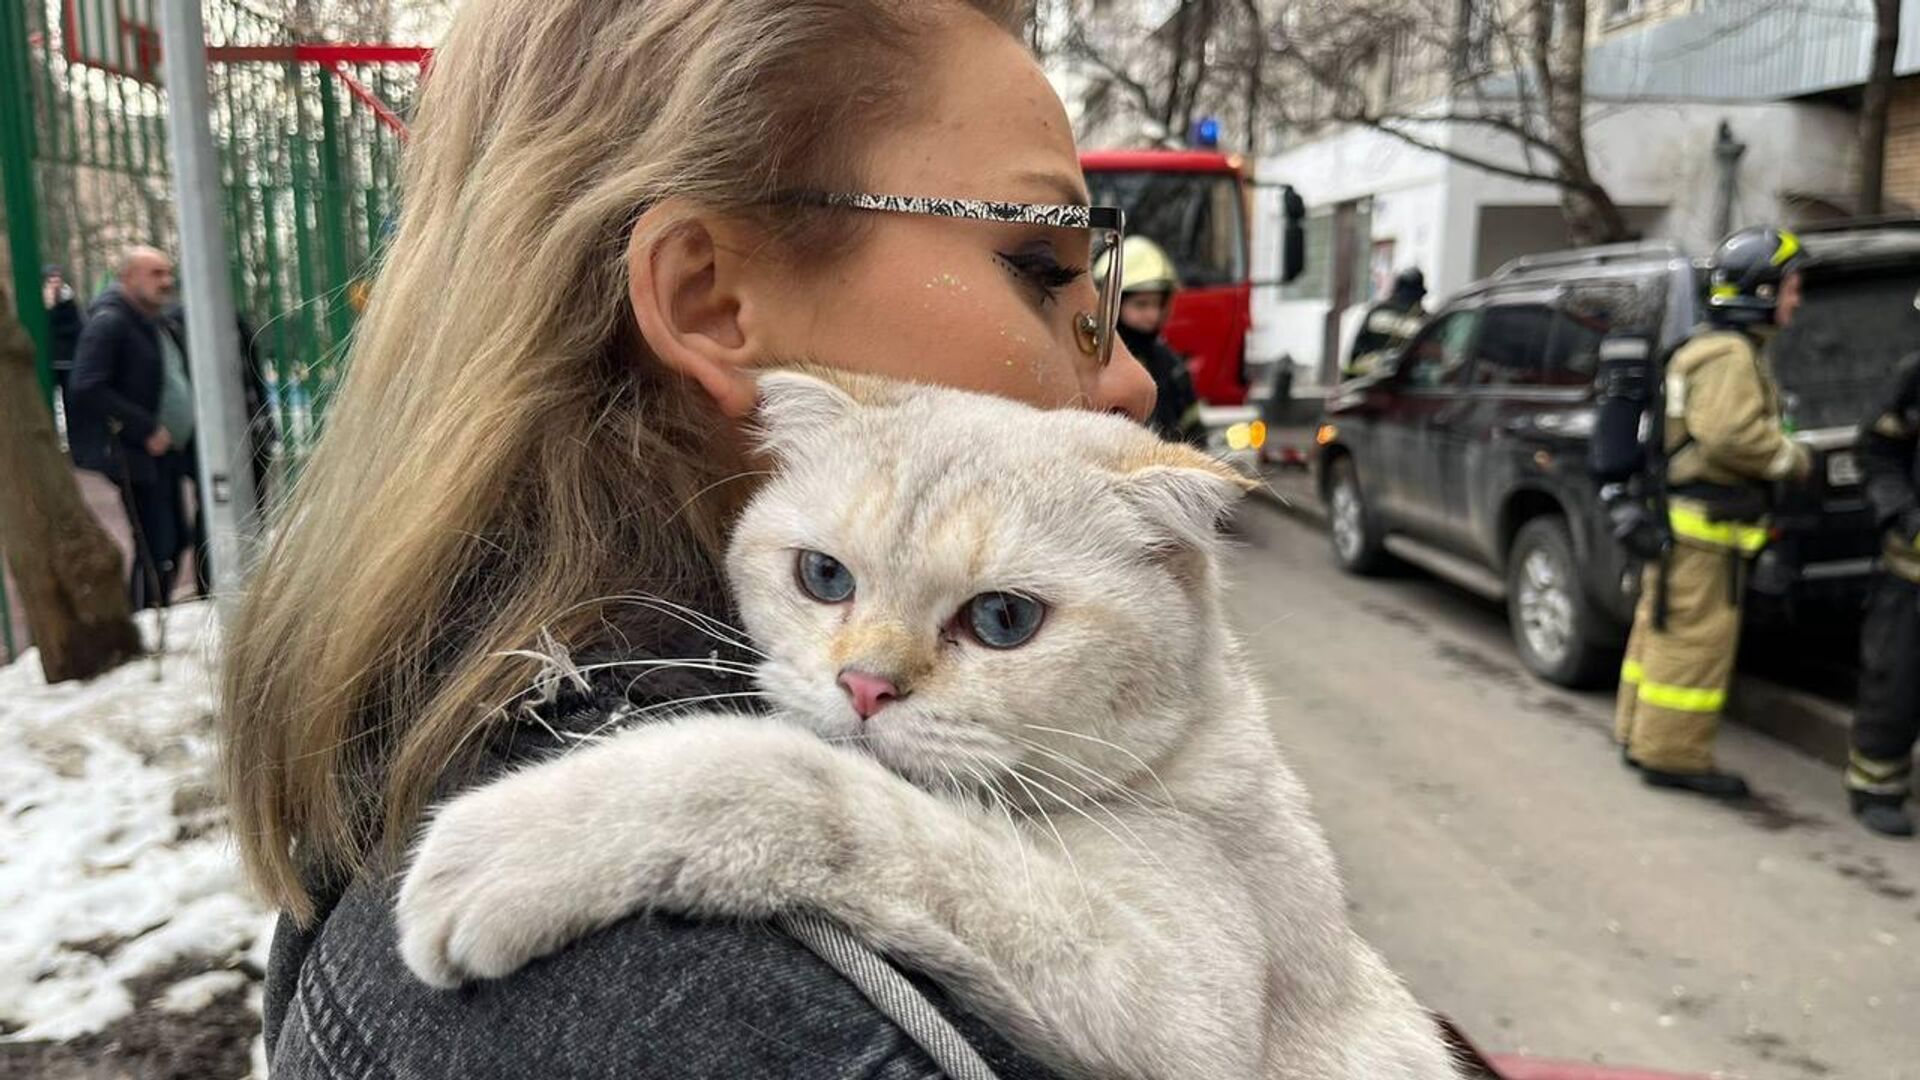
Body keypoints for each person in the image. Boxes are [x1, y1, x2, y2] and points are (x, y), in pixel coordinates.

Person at [220, 3, 1154, 1077]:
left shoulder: (444, 781)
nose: (1124, 378)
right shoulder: (719, 996)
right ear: (710, 300)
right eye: (1039, 267)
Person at [1615, 226, 1812, 799]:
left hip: (1682, 527)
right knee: (1696, 643)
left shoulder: (1707, 346)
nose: (1798, 300)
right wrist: (1792, 457)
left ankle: (1640, 734)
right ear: (1762, 290)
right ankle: (1673, 755)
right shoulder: (1728, 354)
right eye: (1792, 288)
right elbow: (1730, 438)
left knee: (1661, 633)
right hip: (1708, 535)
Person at [66, 246, 197, 610]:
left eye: (168, 273)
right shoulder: (111, 322)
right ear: (127, 277)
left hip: (164, 452)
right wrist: (144, 429)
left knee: (173, 539)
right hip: (136, 455)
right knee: (157, 542)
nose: (166, 282)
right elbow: (87, 384)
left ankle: (156, 616)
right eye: (155, 273)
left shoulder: (151, 321)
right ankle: (146, 620)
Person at [1847, 354, 1920, 837]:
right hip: (1912, 570)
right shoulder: (1916, 376)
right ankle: (1876, 787)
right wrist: (1901, 512)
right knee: (1897, 680)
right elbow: (1876, 450)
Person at [1102, 235, 1204, 444]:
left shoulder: (1168, 362)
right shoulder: (1097, 361)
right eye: (1141, 305)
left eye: (1158, 305)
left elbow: (1193, 429)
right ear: (1112, 304)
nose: (1153, 315)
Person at [1345, 266, 1426, 379]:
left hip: (1368, 380)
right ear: (1420, 295)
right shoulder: (1423, 319)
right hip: (1402, 385)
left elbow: (1356, 350)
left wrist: (1347, 379)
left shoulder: (1376, 311)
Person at [43, 264, 84, 407]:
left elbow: (77, 328)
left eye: (57, 278)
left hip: (68, 360)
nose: (55, 282)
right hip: (48, 360)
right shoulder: (41, 303)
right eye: (51, 279)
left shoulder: (69, 303)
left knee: (70, 402)